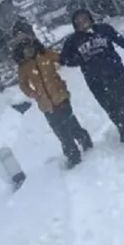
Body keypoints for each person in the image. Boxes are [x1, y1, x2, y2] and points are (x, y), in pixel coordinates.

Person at [60, 9, 124, 145]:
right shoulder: (72, 41)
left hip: (116, 73)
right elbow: (64, 59)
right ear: (75, 25)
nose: (82, 23)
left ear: (90, 18)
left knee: (122, 104)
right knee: (110, 108)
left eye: (85, 19)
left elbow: (123, 42)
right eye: (78, 22)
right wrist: (78, 59)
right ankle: (123, 129)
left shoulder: (104, 29)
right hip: (95, 80)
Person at [15, 38, 92, 168]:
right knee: (60, 132)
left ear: (35, 47)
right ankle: (73, 156)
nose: (29, 52)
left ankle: (85, 141)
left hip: (60, 96)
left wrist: (75, 58)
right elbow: (23, 85)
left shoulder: (45, 54)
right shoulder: (23, 67)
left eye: (31, 48)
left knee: (71, 124)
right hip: (45, 104)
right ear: (21, 53)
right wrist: (32, 93)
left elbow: (62, 58)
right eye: (26, 50)